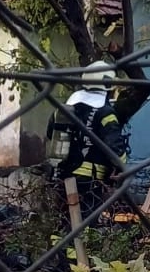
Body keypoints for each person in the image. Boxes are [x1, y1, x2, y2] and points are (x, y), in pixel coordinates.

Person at [49, 60, 128, 219]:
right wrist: (122, 167)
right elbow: (115, 148)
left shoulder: (66, 108)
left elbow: (50, 133)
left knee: (65, 221)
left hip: (62, 175)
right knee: (87, 223)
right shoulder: (105, 112)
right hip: (90, 182)